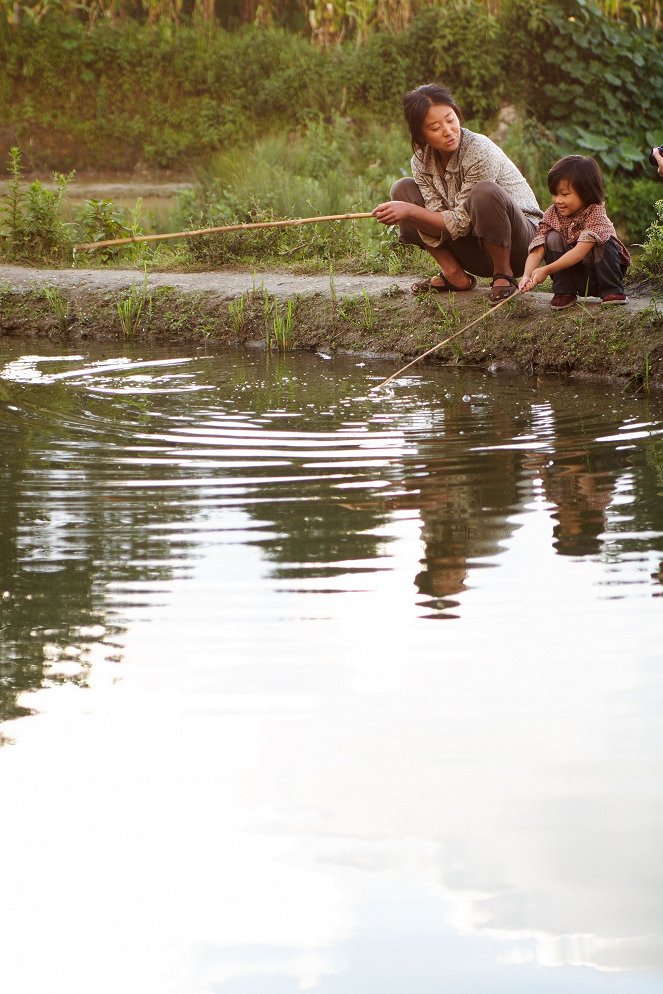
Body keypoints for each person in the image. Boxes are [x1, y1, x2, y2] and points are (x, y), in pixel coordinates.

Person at [372, 83, 543, 301]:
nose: (448, 131)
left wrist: (409, 213)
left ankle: (503, 275)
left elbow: (460, 221)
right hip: (472, 245)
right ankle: (453, 274)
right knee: (402, 189)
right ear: (421, 135)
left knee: (484, 193)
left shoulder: (479, 149)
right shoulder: (421, 161)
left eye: (450, 119)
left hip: (518, 247)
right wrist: (408, 208)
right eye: (434, 128)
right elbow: (438, 217)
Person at [519, 155, 630, 308]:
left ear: (586, 192)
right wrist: (527, 276)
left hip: (599, 275)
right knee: (551, 238)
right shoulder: (552, 213)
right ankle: (565, 291)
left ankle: (611, 289)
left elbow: (579, 251)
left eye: (564, 194)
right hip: (576, 275)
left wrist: (546, 269)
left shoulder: (595, 212)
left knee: (603, 241)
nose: (557, 200)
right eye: (555, 194)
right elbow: (538, 247)